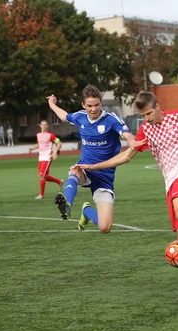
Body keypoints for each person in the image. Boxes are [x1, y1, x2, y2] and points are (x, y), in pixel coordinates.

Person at [76, 91, 178, 312]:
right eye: (144, 115)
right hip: (170, 182)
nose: (148, 118)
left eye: (150, 113)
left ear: (158, 107)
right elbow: (127, 155)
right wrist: (94, 167)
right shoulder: (146, 130)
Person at [47, 84, 137, 233]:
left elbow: (126, 133)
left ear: (101, 103)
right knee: (75, 170)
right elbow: (63, 116)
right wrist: (51, 103)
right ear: (83, 105)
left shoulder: (111, 119)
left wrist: (132, 142)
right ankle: (67, 205)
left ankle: (86, 211)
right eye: (89, 105)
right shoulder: (80, 117)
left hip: (105, 176)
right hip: (85, 169)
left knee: (105, 227)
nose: (93, 109)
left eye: (96, 105)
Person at [28, 120, 63, 200]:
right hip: (40, 157)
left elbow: (59, 143)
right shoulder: (38, 135)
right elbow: (39, 144)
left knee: (42, 176)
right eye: (42, 125)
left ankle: (41, 195)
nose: (44, 127)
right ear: (40, 126)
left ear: (48, 126)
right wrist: (32, 148)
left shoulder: (51, 135)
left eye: (45, 125)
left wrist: (55, 151)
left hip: (47, 157)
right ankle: (59, 182)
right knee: (44, 176)